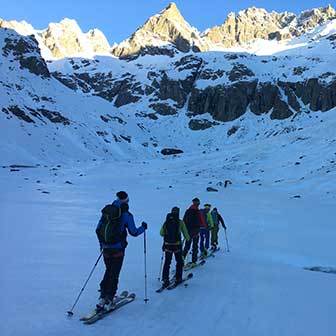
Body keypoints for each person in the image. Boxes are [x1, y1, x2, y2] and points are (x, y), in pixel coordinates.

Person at [95, 191, 147, 311]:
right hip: (118, 248)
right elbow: (133, 232)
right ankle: (109, 298)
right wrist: (143, 228)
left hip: (106, 248)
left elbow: (98, 229)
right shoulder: (127, 215)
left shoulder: (107, 212)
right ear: (127, 201)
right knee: (114, 273)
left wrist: (102, 245)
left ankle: (103, 296)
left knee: (108, 270)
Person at [160, 207, 190, 287]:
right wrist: (188, 239)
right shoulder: (180, 222)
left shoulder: (166, 222)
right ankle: (178, 278)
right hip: (177, 246)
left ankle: (165, 279)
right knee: (179, 262)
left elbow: (161, 233)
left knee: (167, 262)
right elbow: (186, 234)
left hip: (167, 245)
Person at [182, 198, 205, 266]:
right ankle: (194, 261)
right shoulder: (197, 211)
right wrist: (202, 226)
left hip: (188, 232)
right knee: (195, 246)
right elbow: (201, 221)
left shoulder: (188, 211)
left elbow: (184, 220)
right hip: (195, 231)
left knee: (187, 246)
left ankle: (181, 260)